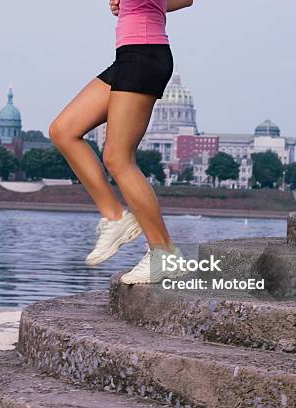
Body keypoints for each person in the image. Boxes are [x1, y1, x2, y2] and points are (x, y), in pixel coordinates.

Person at [49, 0, 194, 284]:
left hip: (145, 55)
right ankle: (115, 217)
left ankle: (164, 254)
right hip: (130, 56)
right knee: (63, 130)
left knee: (118, 157)